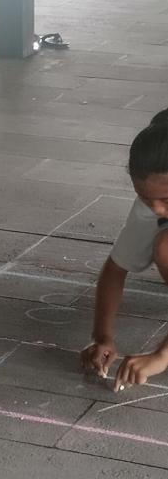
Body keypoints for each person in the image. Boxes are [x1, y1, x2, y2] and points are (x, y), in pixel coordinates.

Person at [82, 111, 168, 391]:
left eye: (166, 200)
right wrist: (103, 336)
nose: (157, 209)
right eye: (146, 198)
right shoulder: (152, 205)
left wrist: (161, 357)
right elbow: (116, 269)